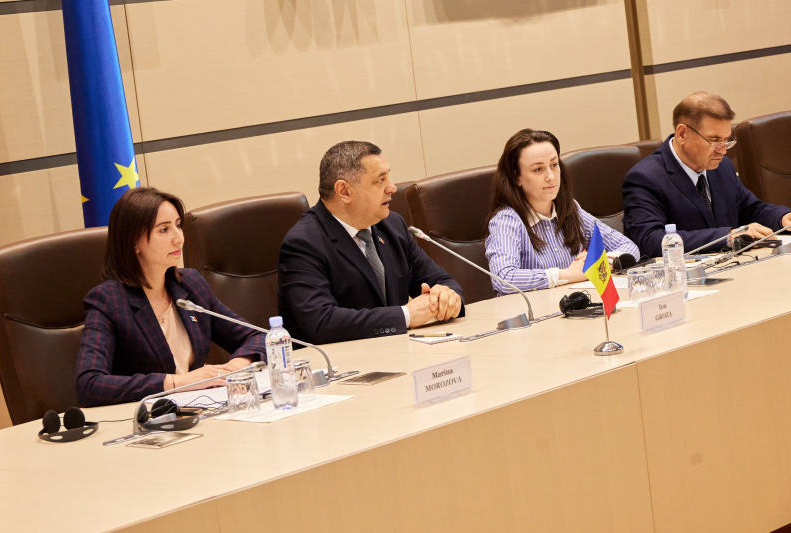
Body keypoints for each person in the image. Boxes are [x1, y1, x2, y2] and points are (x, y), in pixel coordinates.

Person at [76, 188, 265, 407]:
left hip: (203, 408)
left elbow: (257, 337)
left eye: (178, 225)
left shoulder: (190, 285)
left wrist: (232, 369)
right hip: (150, 419)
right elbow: (89, 384)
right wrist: (181, 382)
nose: (179, 238)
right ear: (133, 242)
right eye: (164, 229)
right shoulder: (109, 301)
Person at [277, 141, 464, 344]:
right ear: (344, 191)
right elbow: (321, 322)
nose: (392, 187)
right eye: (380, 180)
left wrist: (446, 298)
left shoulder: (392, 225)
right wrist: (407, 315)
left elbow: (443, 281)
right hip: (341, 361)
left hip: (398, 350)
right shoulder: (303, 244)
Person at [623, 91, 791, 257]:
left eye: (726, 140)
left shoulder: (722, 166)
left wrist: (782, 218)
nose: (723, 150)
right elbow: (648, 240)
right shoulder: (645, 178)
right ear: (682, 134)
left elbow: (750, 209)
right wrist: (727, 237)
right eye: (715, 140)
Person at [485, 128, 639, 293]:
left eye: (554, 165)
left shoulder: (569, 208)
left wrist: (601, 263)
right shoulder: (506, 221)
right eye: (538, 169)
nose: (551, 176)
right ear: (516, 177)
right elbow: (504, 279)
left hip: (574, 303)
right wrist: (568, 274)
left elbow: (628, 247)